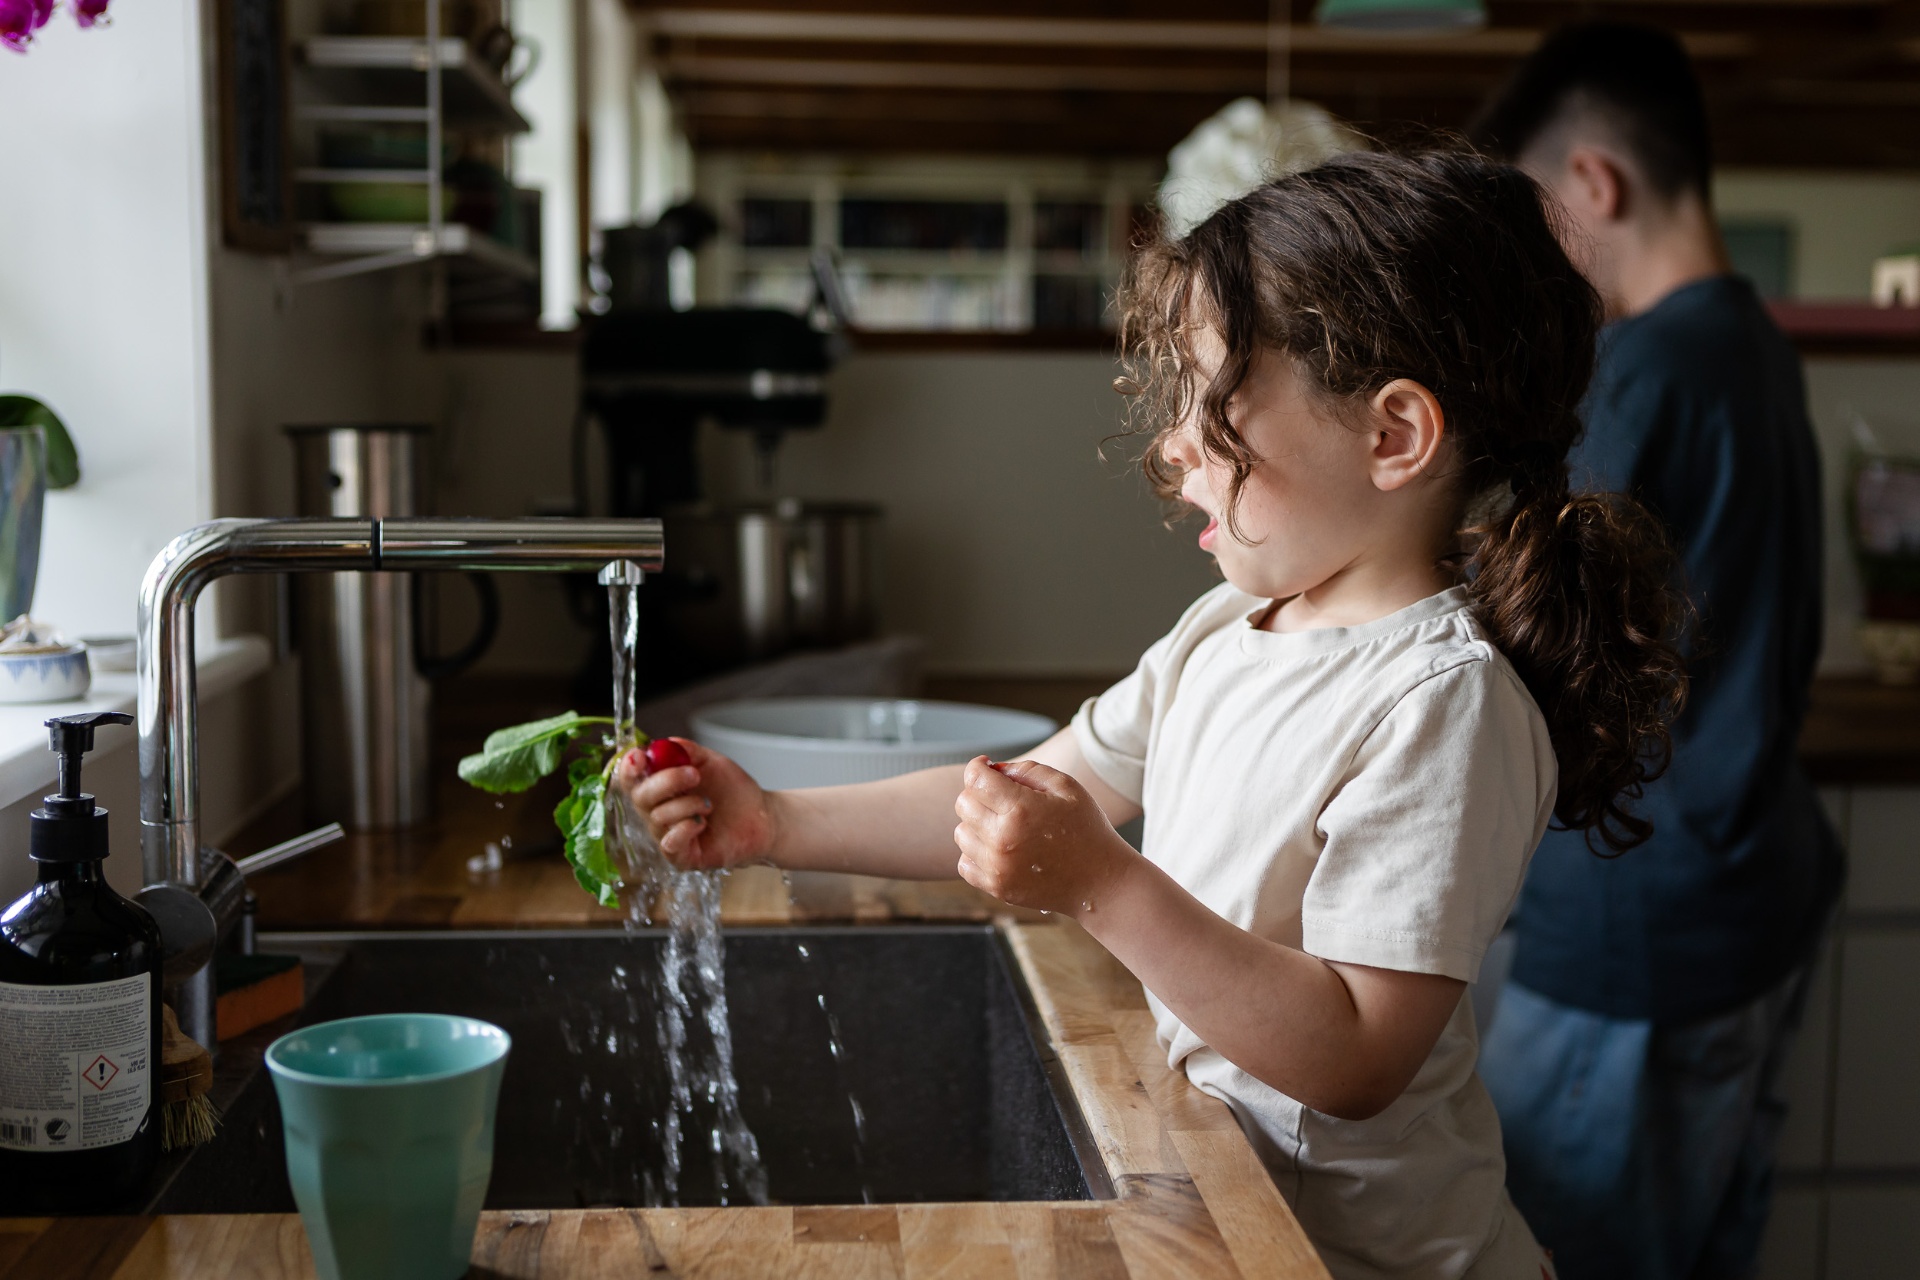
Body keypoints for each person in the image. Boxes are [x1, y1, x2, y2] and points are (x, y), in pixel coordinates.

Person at [620, 150, 1687, 1280]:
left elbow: (1359, 1053)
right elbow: (1020, 795)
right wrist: (774, 819)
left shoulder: (1440, 703)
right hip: (1237, 1219)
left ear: (1393, 437)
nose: (1176, 438)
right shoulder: (1226, 629)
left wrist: (1099, 882)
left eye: (1215, 395)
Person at [1470, 23, 1845, 1280]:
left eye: (1538, 218)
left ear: (1594, 185)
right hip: (1754, 893)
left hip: (1639, 927)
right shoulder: (1755, 352)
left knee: (1565, 1254)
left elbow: (1530, 633)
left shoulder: (1643, 370)